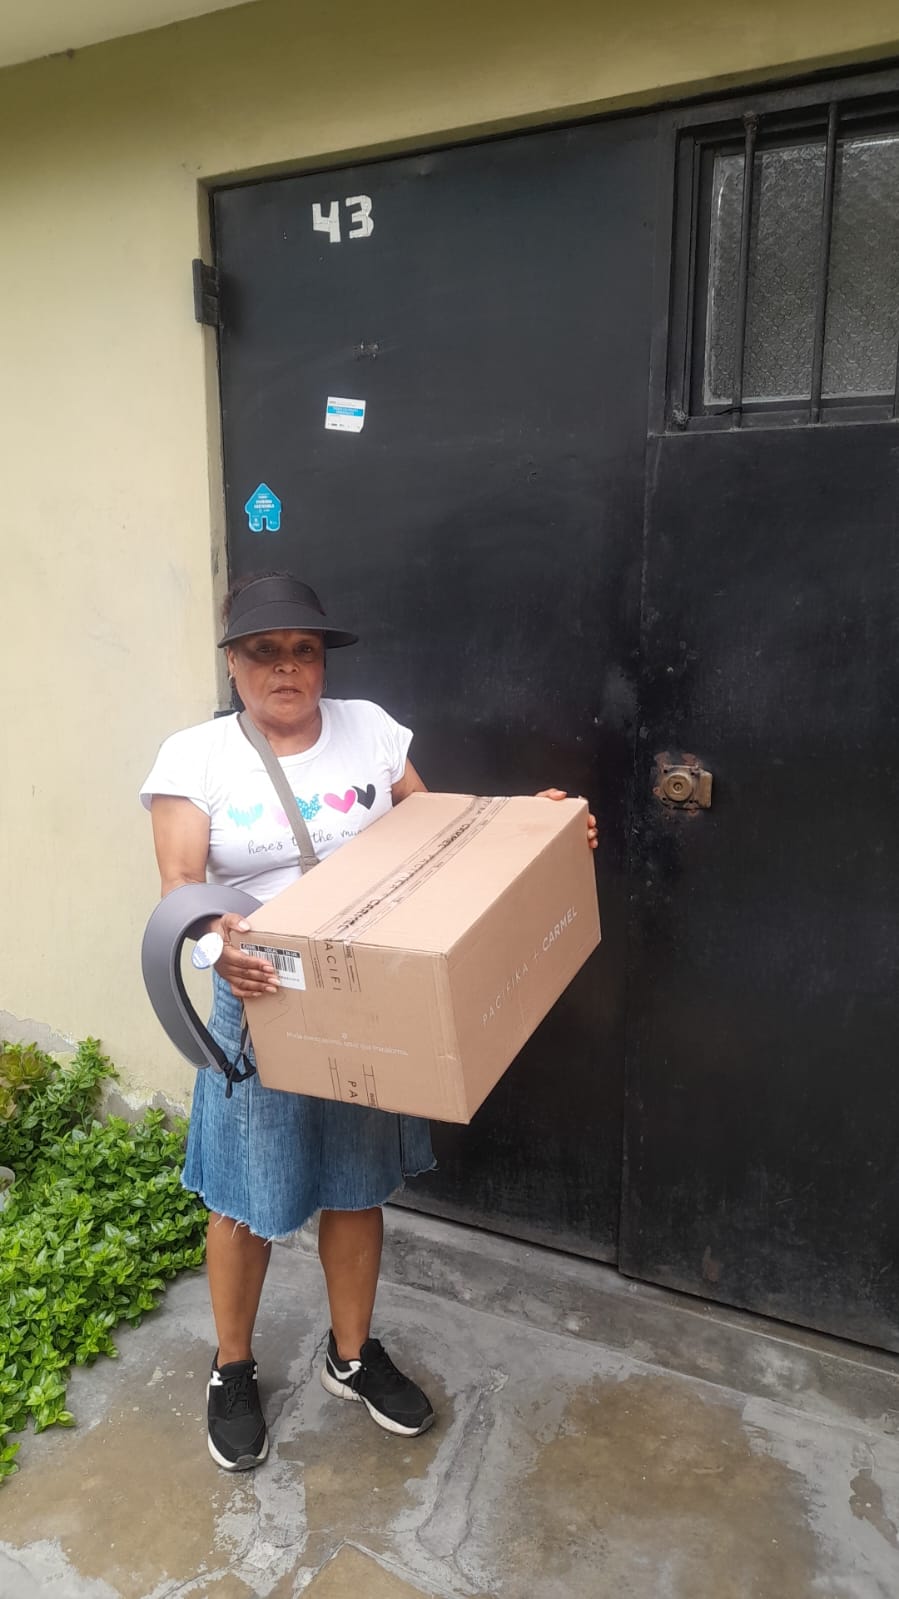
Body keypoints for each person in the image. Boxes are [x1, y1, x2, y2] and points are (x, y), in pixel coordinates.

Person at [141, 572, 598, 1472]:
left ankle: (349, 1356)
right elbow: (180, 884)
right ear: (233, 663)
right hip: (260, 996)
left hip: (362, 995)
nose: (286, 667)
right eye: (264, 651)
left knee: (356, 1186)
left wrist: (531, 828)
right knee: (244, 1198)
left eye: (302, 650)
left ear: (322, 661)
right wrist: (214, 946)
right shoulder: (194, 758)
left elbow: (438, 837)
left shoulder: (370, 729)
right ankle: (232, 1367)